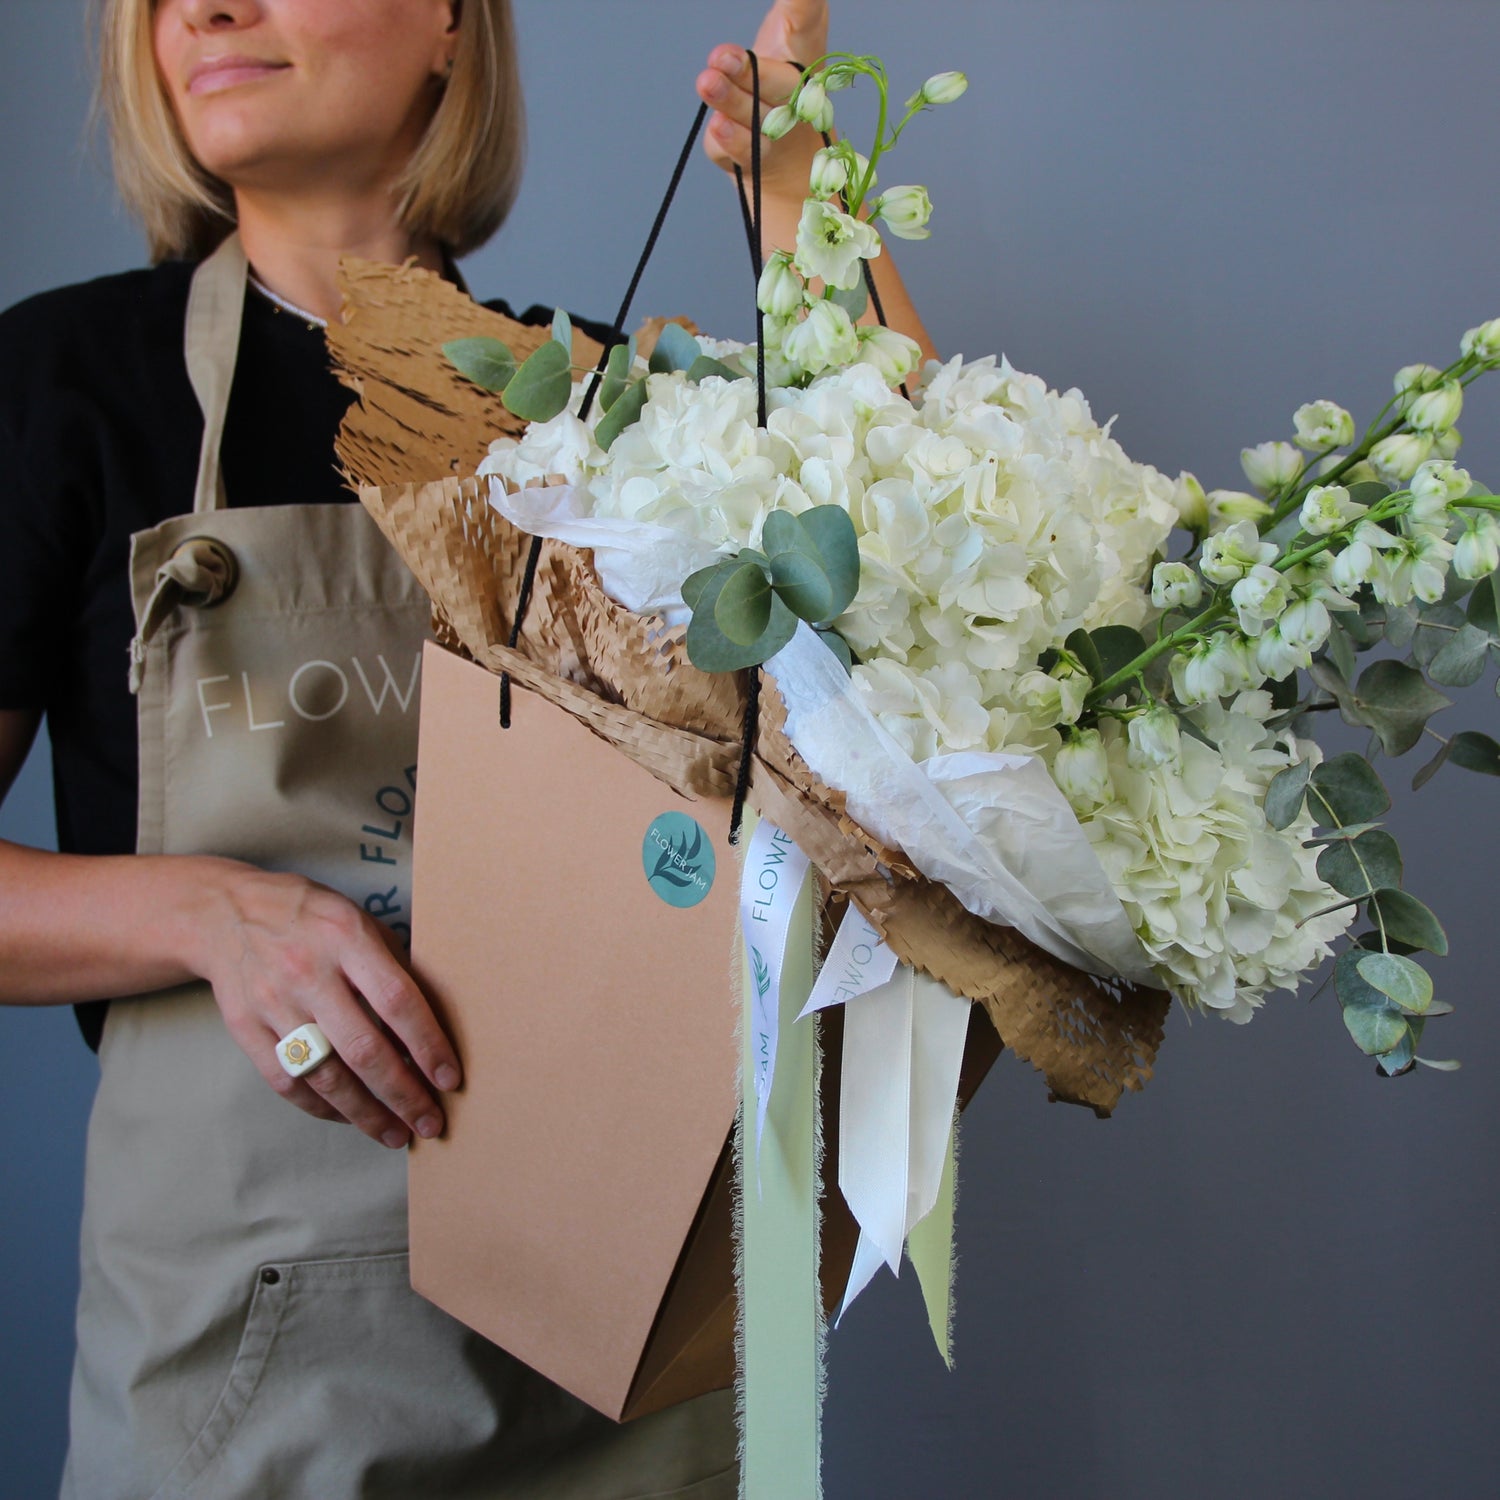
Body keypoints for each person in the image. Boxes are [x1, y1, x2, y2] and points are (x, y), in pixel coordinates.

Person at [0, 1, 933, 1495]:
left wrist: (797, 192)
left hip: (619, 1355)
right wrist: (211, 913)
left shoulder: (609, 410)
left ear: (447, 22)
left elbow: (921, 617)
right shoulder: (61, 387)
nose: (208, 8)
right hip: (257, 1379)